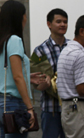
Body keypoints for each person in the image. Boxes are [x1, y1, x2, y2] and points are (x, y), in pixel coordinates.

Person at [0, 0, 35, 138]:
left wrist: (28, 78)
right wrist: (30, 107)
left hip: (0, 104)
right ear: (19, 17)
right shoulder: (14, 40)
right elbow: (17, 77)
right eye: (25, 14)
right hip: (14, 106)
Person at [56, 14, 84, 138]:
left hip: (68, 109)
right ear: (82, 31)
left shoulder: (66, 50)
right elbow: (82, 90)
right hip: (79, 109)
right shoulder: (79, 54)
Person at [32, 8, 69, 138]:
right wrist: (44, 83)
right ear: (49, 24)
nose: (63, 24)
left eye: (65, 22)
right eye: (58, 21)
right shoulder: (39, 51)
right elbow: (36, 83)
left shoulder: (73, 47)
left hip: (71, 108)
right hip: (50, 108)